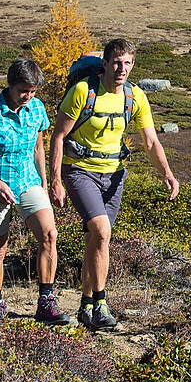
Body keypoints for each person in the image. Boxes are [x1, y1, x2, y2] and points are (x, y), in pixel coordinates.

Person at [49, 37, 180, 331]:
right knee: (102, 230)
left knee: (97, 240)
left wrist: (167, 174)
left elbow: (150, 141)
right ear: (105, 63)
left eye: (128, 63)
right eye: (117, 63)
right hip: (80, 171)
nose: (122, 69)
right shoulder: (83, 91)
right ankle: (101, 302)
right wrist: (55, 181)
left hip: (114, 175)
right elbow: (58, 137)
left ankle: (85, 306)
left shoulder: (135, 97)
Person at [0, 58, 66, 326]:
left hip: (28, 182)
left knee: (48, 234)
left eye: (33, 91)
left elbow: (38, 148)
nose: (28, 96)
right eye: (24, 90)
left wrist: (45, 183)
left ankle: (46, 302)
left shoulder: (36, 108)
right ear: (10, 85)